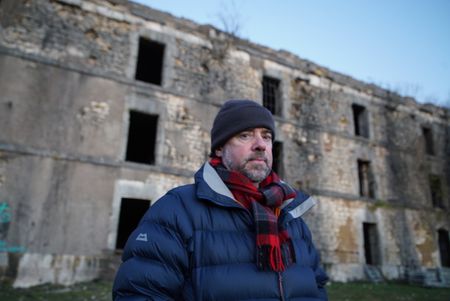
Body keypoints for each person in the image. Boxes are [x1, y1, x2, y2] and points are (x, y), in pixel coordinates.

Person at [113, 99, 328, 300]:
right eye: (245, 135)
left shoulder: (290, 213)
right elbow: (140, 293)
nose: (260, 144)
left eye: (267, 136)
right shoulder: (176, 211)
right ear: (219, 148)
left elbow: (316, 287)